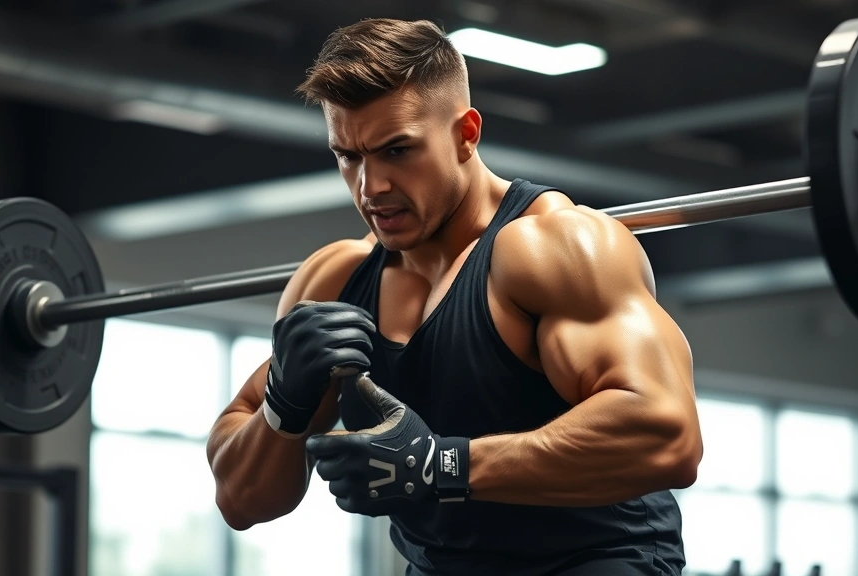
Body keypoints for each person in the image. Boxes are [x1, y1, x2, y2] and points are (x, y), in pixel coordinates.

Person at [206, 17, 703, 576]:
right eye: (349, 155)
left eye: (397, 150)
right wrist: (284, 402)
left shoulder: (552, 247)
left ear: (466, 133)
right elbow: (242, 501)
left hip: (595, 560)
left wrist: (440, 464)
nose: (371, 188)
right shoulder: (336, 280)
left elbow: (667, 434)